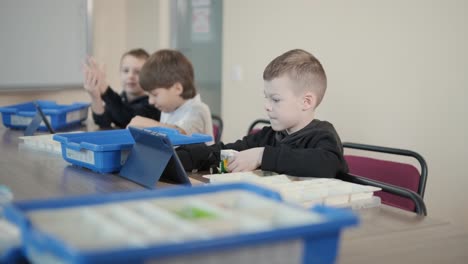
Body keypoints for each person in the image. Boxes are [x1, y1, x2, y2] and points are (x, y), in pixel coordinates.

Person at [176, 49, 348, 178]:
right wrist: (177, 157)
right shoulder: (267, 136)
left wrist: (261, 155)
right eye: (266, 98)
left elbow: (329, 164)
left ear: (306, 102)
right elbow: (226, 152)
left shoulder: (323, 136)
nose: (267, 106)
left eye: (276, 99)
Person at [127, 49, 214, 142]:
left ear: (177, 89)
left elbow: (181, 134)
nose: (150, 101)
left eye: (155, 94)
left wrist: (148, 124)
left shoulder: (198, 110)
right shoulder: (168, 110)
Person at [83, 48, 161, 129]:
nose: (130, 76)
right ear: (120, 73)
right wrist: (95, 97)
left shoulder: (152, 104)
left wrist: (105, 89)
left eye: (138, 72)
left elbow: (127, 119)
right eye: (126, 71)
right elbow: (103, 121)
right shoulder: (121, 99)